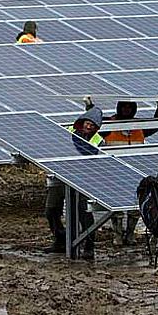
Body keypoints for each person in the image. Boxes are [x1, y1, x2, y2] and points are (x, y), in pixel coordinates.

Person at [100, 99, 158, 245]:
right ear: (119, 107)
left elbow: (156, 124)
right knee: (116, 205)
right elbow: (93, 122)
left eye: (130, 107)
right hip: (115, 172)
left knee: (135, 205)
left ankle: (130, 234)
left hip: (136, 172)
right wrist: (90, 107)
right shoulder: (108, 125)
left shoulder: (139, 126)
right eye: (124, 106)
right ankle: (117, 235)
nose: (126, 109)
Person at [43, 106, 104, 260]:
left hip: (82, 180)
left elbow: (99, 164)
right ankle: (61, 240)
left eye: (93, 126)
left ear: (96, 128)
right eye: (87, 123)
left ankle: (89, 246)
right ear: (81, 122)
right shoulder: (66, 131)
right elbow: (52, 147)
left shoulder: (99, 141)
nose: (88, 127)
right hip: (60, 175)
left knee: (84, 214)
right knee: (51, 210)